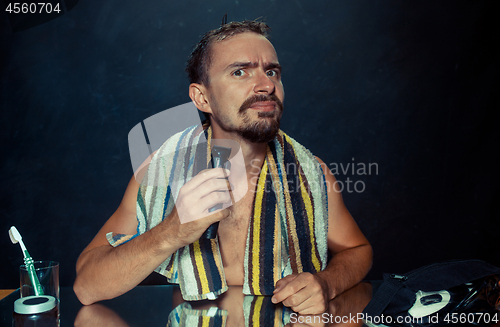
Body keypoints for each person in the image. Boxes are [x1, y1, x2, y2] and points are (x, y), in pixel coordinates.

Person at [73, 20, 372, 315]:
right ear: (202, 98)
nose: (266, 85)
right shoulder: (161, 171)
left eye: (272, 72)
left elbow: (357, 251)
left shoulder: (311, 173)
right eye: (240, 72)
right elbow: (86, 287)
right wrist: (171, 232)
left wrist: (326, 283)